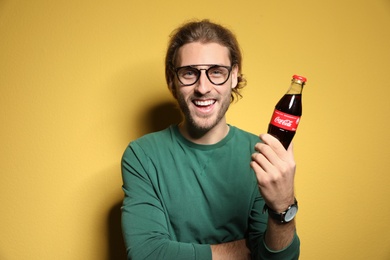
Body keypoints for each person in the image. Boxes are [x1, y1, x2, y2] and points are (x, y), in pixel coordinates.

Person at [121, 19, 300, 260]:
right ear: (172, 81)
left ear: (234, 76)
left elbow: (279, 259)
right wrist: (245, 249)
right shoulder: (142, 155)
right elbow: (147, 254)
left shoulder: (260, 154)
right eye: (189, 73)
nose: (203, 87)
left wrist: (283, 206)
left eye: (217, 72)